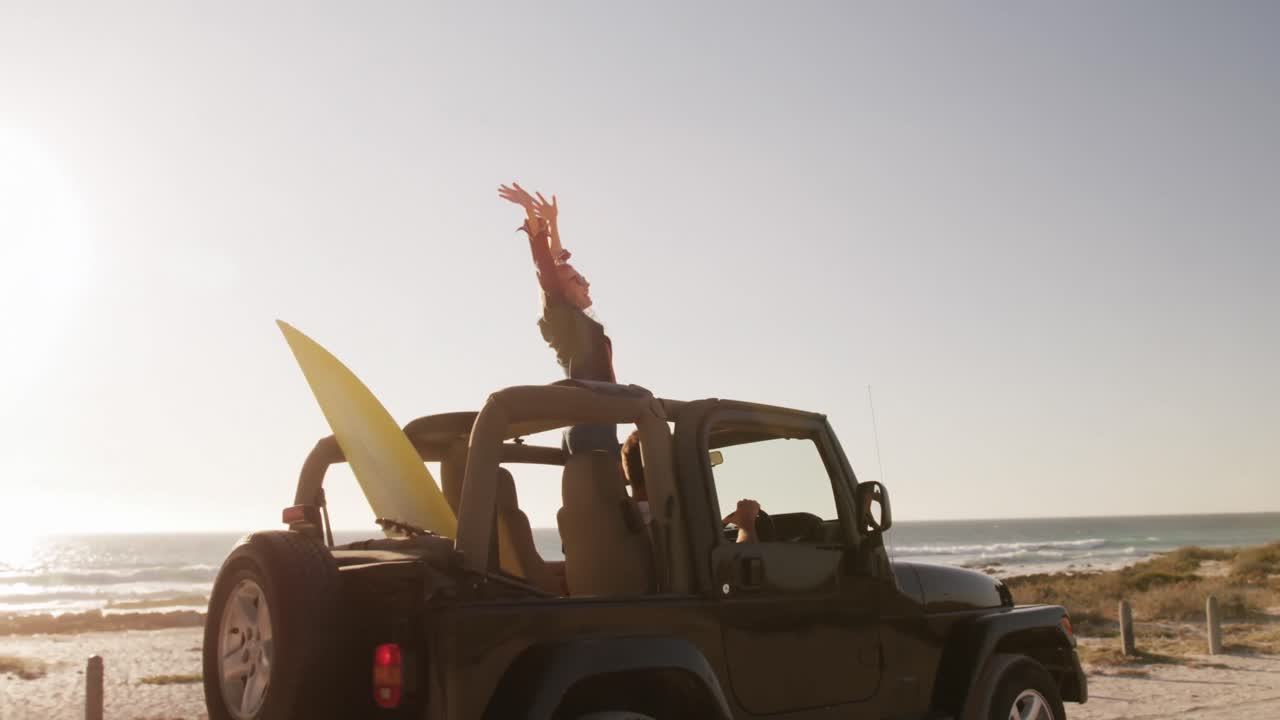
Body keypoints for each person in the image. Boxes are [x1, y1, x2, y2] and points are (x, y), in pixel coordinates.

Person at [499, 182, 618, 455]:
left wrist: (553, 223)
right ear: (561, 292)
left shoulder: (574, 319)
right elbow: (548, 272)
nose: (586, 283)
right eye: (577, 280)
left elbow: (557, 265)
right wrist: (530, 213)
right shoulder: (563, 320)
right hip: (591, 428)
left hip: (597, 422)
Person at [621, 429, 761, 542]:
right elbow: (739, 569)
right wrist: (747, 525)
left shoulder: (621, 524)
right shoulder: (671, 524)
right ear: (669, 468)